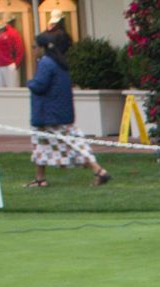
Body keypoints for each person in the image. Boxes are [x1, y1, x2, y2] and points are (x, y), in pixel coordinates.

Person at [26, 33, 109, 188]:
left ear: (42, 48)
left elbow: (40, 86)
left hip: (48, 114)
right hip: (60, 112)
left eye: (34, 47)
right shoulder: (59, 63)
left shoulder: (45, 63)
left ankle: (98, 170)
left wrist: (29, 83)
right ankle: (40, 178)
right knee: (50, 144)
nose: (33, 50)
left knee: (67, 144)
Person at [0, 17, 25, 88]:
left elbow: (19, 49)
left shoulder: (13, 33)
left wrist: (16, 64)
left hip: (9, 65)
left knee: (12, 88)